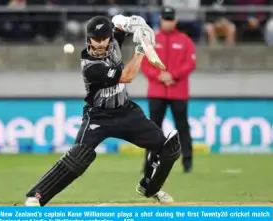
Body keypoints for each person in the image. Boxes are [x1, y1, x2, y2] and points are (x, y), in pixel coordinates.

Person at [24, 15, 181, 207]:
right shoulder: (91, 66)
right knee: (78, 156)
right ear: (88, 39)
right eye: (95, 39)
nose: (99, 44)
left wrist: (139, 28)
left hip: (126, 112)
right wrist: (141, 49)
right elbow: (128, 76)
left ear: (110, 37)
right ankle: (38, 196)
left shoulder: (114, 41)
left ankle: (150, 186)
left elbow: (122, 22)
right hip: (98, 115)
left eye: (103, 39)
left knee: (168, 147)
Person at [141, 6, 196, 174]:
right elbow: (144, 64)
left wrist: (173, 75)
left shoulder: (185, 40)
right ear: (161, 20)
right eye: (165, 19)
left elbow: (190, 63)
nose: (168, 22)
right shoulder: (152, 40)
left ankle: (187, 163)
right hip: (157, 92)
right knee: (153, 129)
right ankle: (150, 163)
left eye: (170, 19)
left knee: (182, 128)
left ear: (175, 21)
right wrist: (159, 76)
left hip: (178, 91)